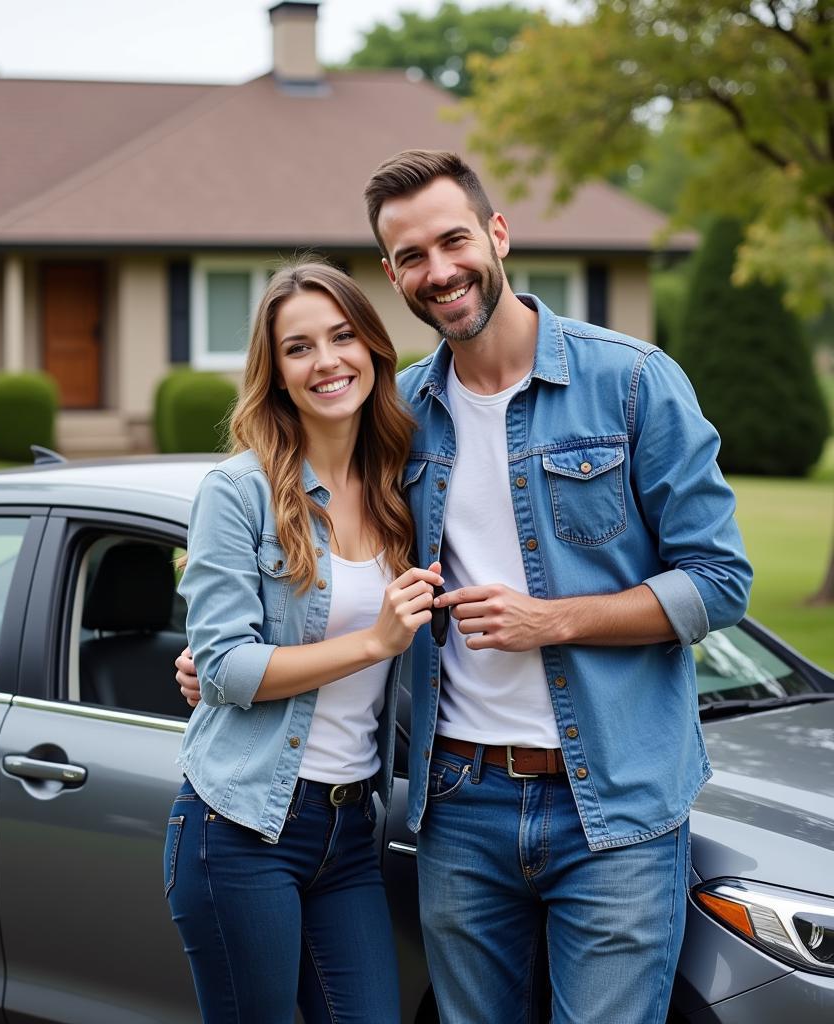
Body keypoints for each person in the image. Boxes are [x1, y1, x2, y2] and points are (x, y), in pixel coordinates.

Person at [179, 150, 752, 1024]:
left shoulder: (631, 382)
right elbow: (313, 564)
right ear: (392, 274)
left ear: (497, 233)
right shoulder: (400, 417)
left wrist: (550, 620)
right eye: (413, 256)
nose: (439, 271)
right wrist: (218, 664)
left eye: (453, 241)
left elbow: (719, 584)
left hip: (618, 806)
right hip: (458, 807)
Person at [166, 260, 442, 1024]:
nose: (326, 362)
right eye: (299, 347)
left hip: (354, 831)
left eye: (343, 336)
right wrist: (373, 642)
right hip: (243, 827)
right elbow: (224, 665)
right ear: (277, 373)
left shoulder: (402, 488)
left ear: (374, 350)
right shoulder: (239, 493)